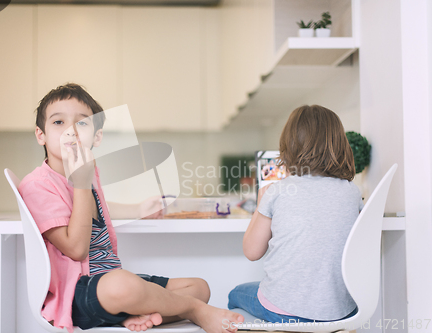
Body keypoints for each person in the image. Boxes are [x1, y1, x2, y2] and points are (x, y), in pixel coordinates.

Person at [18, 83, 244, 333]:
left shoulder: (89, 177)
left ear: (97, 136)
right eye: (58, 122)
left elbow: (96, 209)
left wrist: (138, 208)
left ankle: (126, 314)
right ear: (41, 134)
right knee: (124, 286)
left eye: (82, 123)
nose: (70, 131)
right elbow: (76, 249)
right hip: (78, 294)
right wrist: (81, 181)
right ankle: (194, 310)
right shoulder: (38, 184)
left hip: (110, 283)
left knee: (199, 288)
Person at [228, 105, 362, 324]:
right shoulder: (351, 192)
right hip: (341, 311)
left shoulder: (277, 191)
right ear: (339, 145)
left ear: (287, 147)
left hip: (283, 310)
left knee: (235, 294)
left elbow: (252, 251)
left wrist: (262, 202)